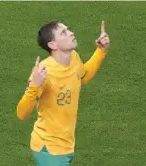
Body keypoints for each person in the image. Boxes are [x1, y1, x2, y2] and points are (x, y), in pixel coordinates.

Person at [16, 20, 110, 166]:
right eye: (63, 33)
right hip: (48, 147)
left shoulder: (74, 57)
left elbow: (81, 77)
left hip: (66, 145)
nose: (71, 33)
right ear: (52, 45)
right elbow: (21, 114)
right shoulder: (43, 72)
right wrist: (35, 86)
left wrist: (101, 51)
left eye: (68, 29)